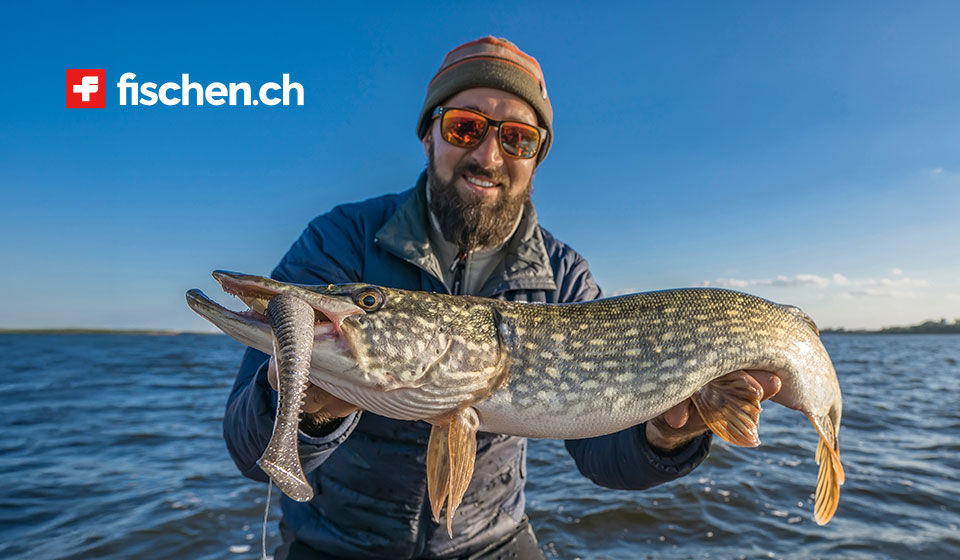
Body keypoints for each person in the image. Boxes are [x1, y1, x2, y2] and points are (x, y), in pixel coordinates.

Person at [223, 36, 781, 560]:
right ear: (429, 135)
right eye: (465, 127)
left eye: (517, 139)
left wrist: (664, 437)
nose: (489, 157)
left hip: (492, 540)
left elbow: (600, 451)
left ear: (536, 158)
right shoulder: (340, 240)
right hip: (336, 543)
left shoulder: (563, 277)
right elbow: (249, 453)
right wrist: (307, 409)